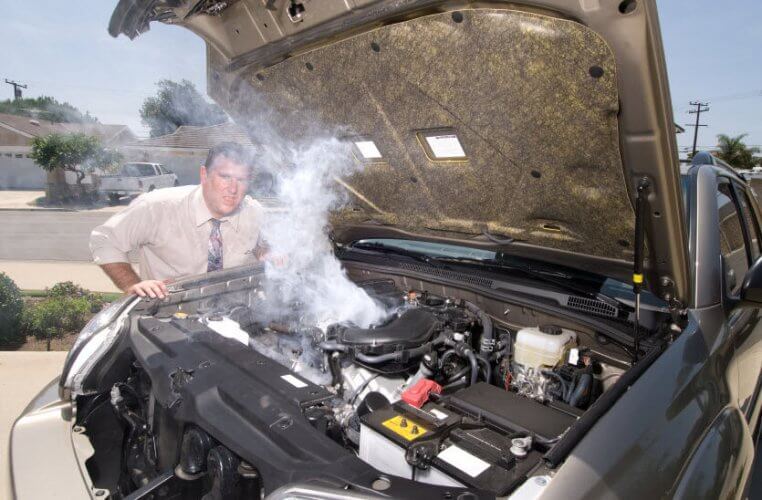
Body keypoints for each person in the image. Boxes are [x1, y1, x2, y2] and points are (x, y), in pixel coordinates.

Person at [90, 142, 265, 299]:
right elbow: (105, 239)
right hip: (170, 317)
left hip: (236, 315)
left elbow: (261, 245)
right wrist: (132, 284)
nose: (233, 188)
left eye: (241, 180)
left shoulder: (253, 212)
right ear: (204, 175)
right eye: (225, 177)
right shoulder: (157, 206)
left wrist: (266, 252)